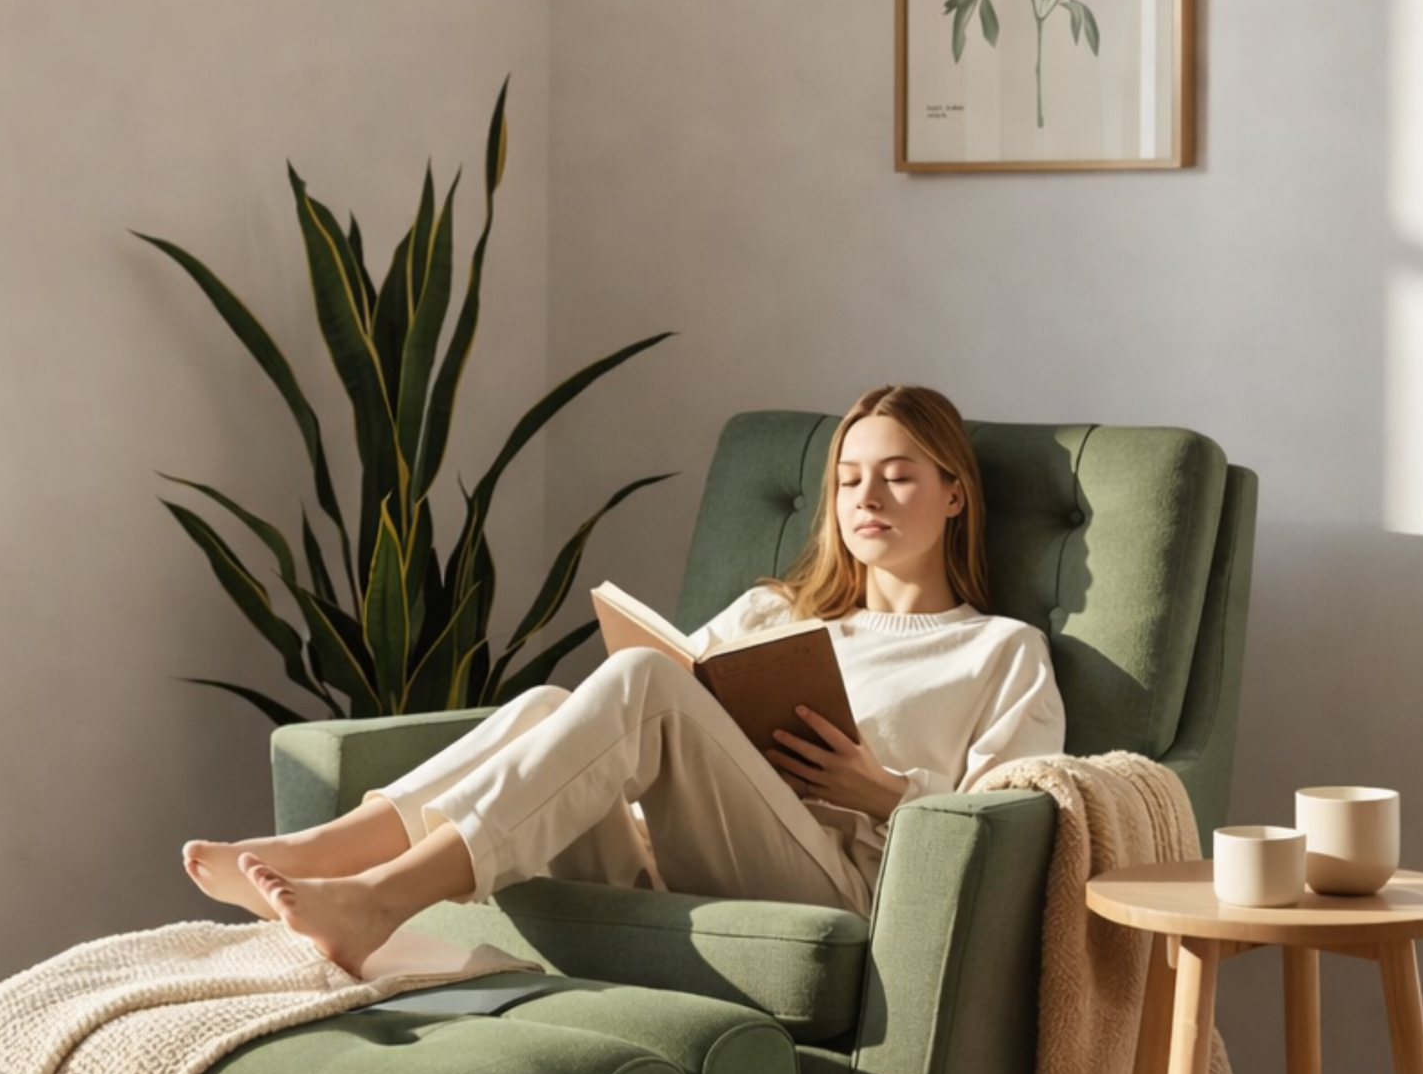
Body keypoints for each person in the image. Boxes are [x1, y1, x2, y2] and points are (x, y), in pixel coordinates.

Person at [182, 384, 1067, 977]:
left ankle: (378, 899)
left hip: (833, 876)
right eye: (847, 480)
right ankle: (309, 854)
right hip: (669, 849)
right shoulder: (776, 613)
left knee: (639, 679)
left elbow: (1006, 834)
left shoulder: (998, 651)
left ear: (955, 495)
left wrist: (883, 791)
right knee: (547, 704)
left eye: (898, 476)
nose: (866, 497)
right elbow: (674, 695)